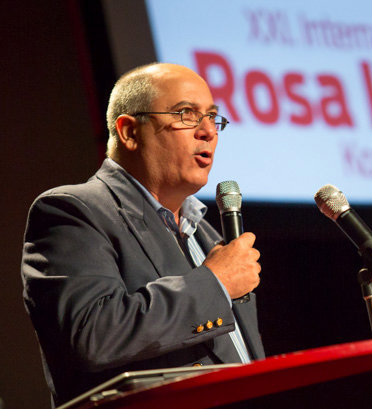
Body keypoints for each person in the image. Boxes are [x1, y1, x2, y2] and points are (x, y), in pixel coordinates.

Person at [21, 63, 264, 406]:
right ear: (130, 132)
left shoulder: (207, 235)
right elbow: (92, 335)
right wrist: (215, 284)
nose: (209, 131)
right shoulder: (73, 210)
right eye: (186, 114)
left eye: (212, 116)